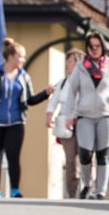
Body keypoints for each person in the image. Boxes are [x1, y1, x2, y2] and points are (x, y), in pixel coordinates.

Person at [0, 38, 55, 198]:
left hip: (16, 123)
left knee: (13, 157)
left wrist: (45, 94)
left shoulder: (24, 77)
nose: (23, 60)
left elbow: (30, 100)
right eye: (20, 56)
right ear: (10, 56)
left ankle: (15, 190)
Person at [55, 33, 109, 199]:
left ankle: (100, 191)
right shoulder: (81, 67)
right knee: (85, 154)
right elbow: (71, 92)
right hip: (85, 116)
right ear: (87, 48)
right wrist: (69, 115)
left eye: (98, 46)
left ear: (103, 47)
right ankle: (88, 184)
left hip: (107, 116)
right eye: (91, 46)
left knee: (103, 154)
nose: (94, 50)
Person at [45, 49, 87, 199]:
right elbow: (54, 101)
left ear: (78, 63)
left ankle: (87, 188)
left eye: (70, 61)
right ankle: (72, 194)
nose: (67, 64)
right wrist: (49, 115)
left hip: (83, 123)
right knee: (70, 161)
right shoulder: (62, 83)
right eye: (67, 61)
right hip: (65, 126)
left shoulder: (86, 82)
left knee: (83, 158)